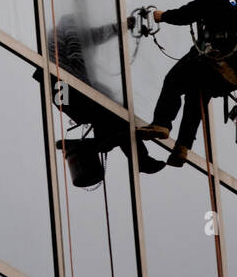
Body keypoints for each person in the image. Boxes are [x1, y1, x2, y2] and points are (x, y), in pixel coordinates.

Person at [137, 0, 237, 166]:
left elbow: (188, 13)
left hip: (208, 60)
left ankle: (162, 124)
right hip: (226, 73)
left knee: (173, 81)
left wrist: (162, 16)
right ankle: (182, 148)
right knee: (196, 100)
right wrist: (236, 67)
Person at [44, 12, 163, 177]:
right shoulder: (69, 25)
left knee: (105, 115)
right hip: (69, 86)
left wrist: (122, 26)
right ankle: (132, 155)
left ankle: (106, 141)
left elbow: (98, 34)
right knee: (116, 113)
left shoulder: (57, 34)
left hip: (60, 93)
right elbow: (75, 48)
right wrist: (85, 79)